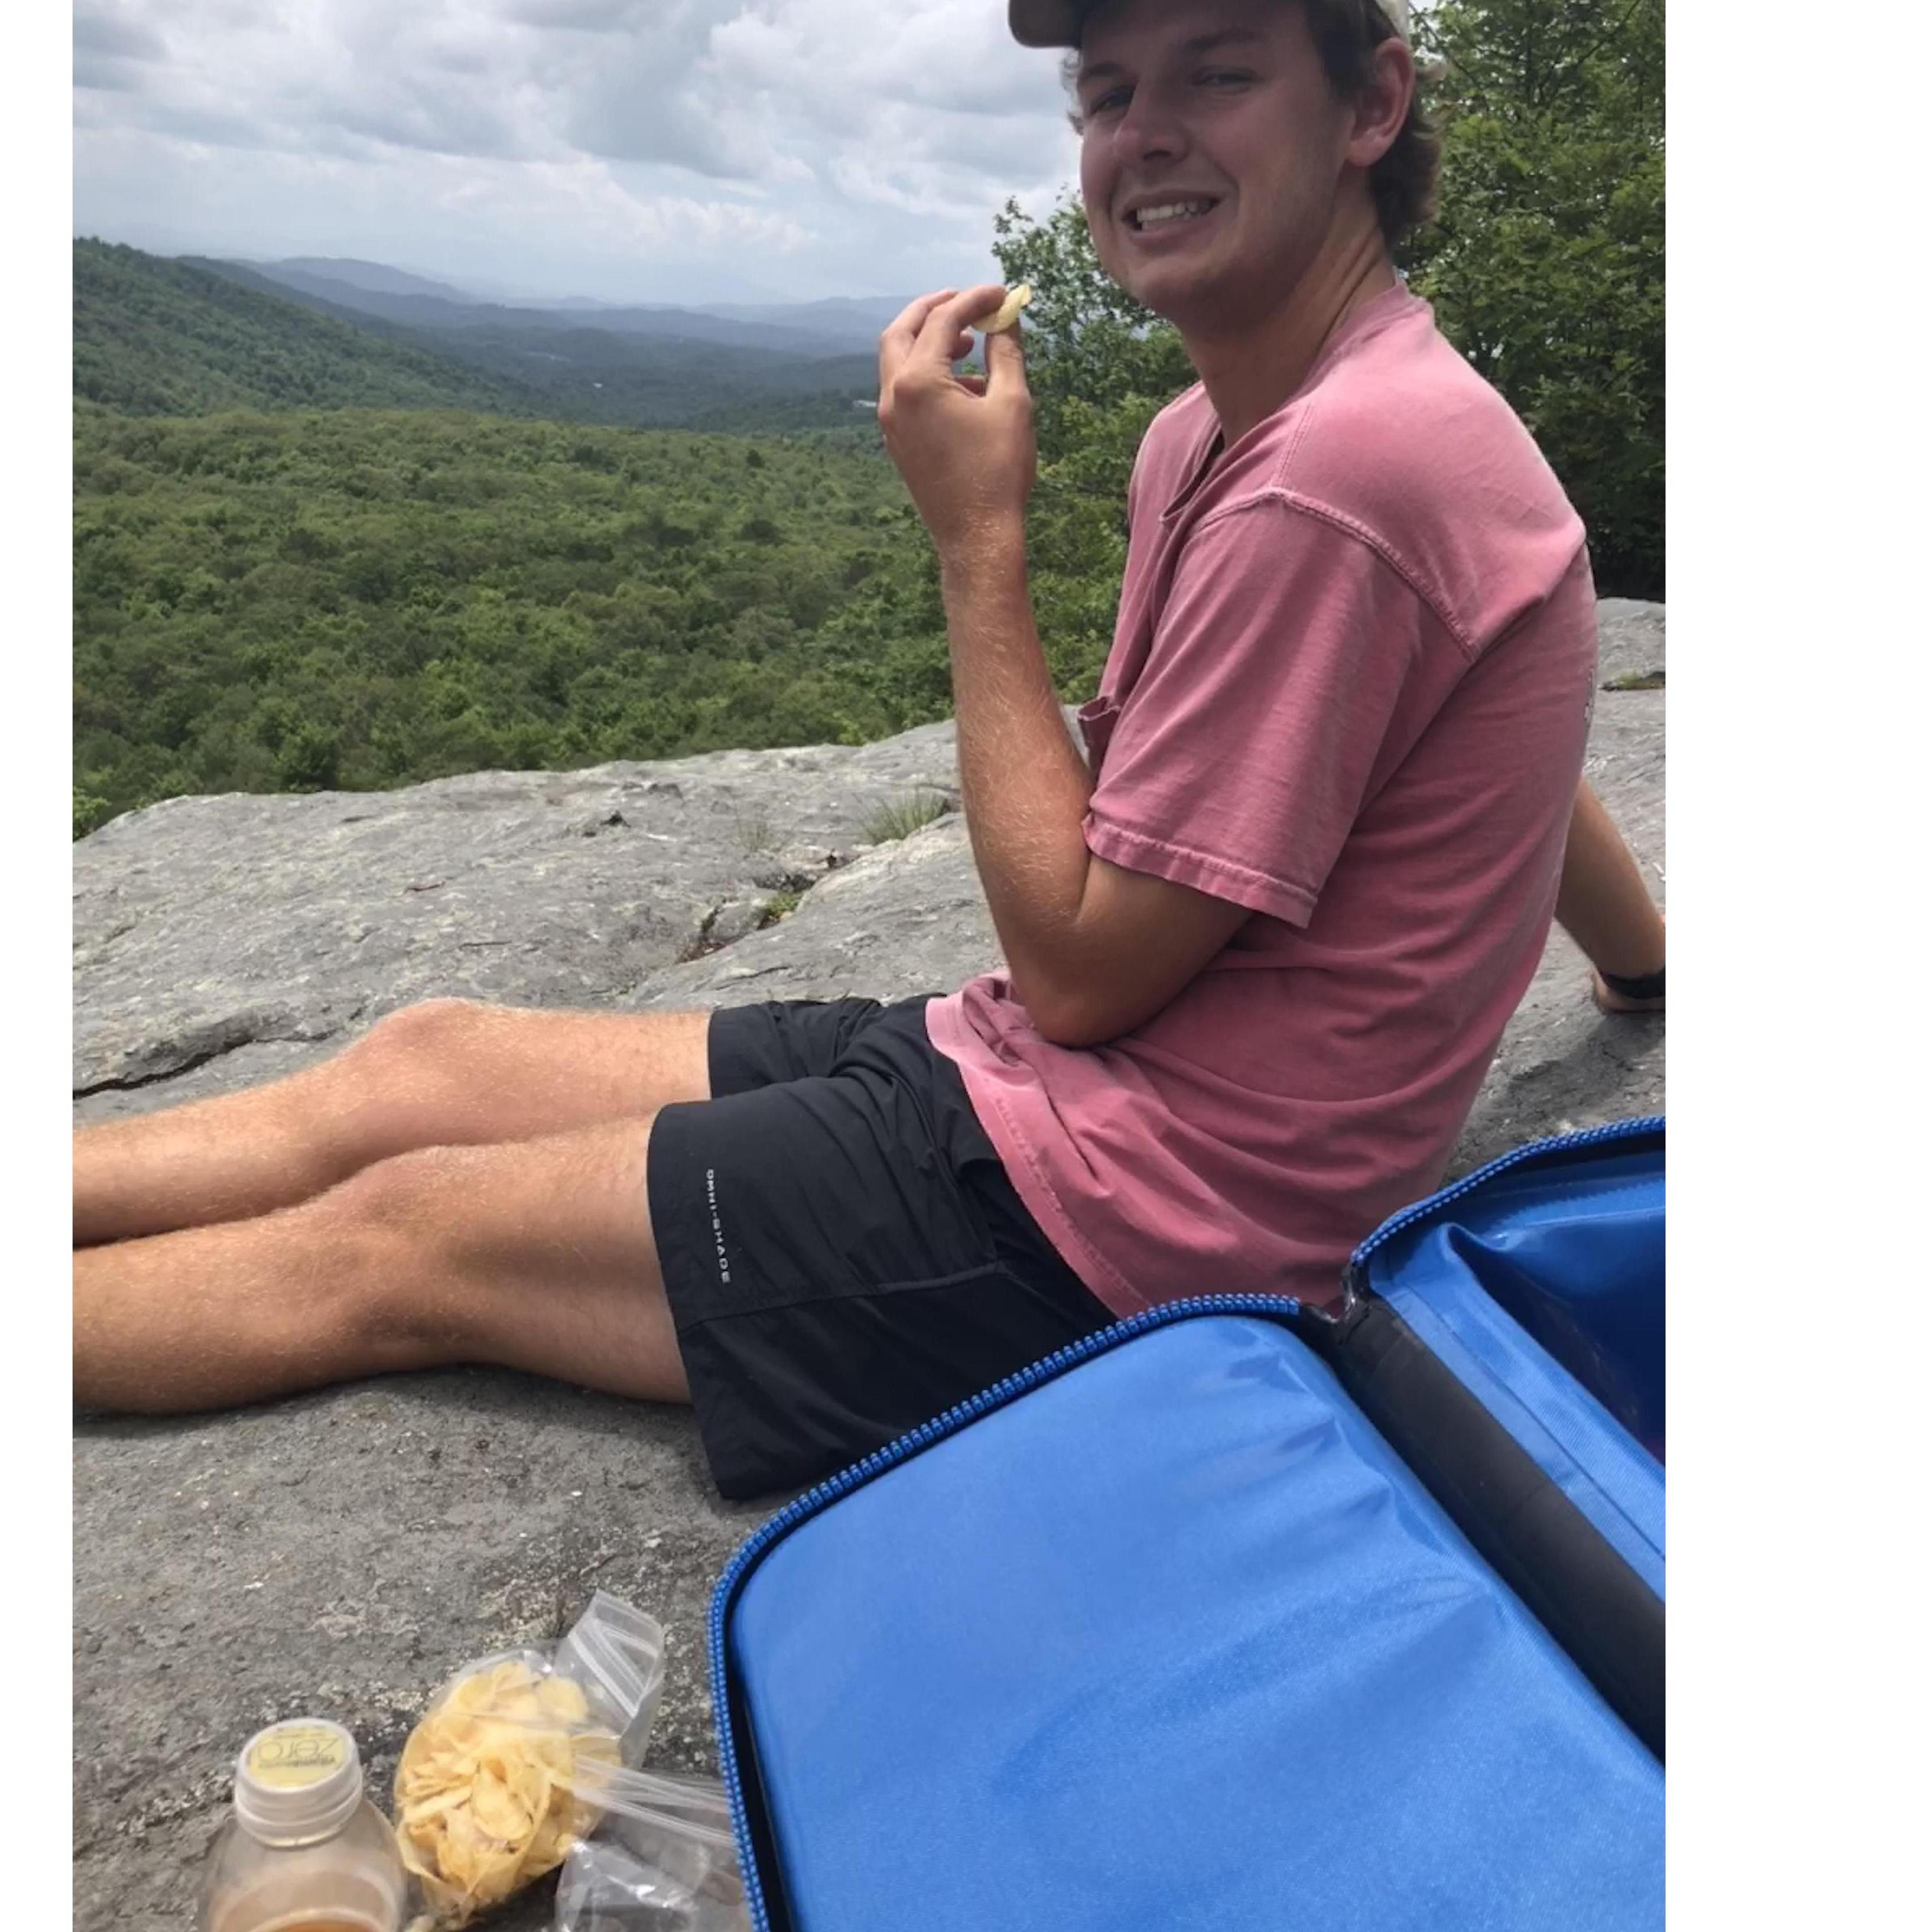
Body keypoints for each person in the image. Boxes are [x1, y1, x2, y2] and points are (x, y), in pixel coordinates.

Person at [73, 0, 1665, 1500]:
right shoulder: (1239, 429)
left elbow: (1087, 974)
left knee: (398, 1236)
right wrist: (1646, 966)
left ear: (1370, 105)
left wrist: (978, 541)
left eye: (1220, 74)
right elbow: (1502, 700)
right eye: (1111, 94)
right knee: (424, 1064)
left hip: (1135, 1224)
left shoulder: (1348, 470)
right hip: (1053, 1092)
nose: (1146, 133)